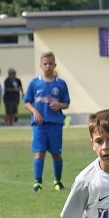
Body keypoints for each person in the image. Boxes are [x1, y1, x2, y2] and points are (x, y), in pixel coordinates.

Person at [24, 51, 70, 192]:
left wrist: (60, 105)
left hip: (55, 123)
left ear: (54, 65)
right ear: (41, 65)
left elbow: (66, 103)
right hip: (39, 125)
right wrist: (35, 111)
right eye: (45, 64)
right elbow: (27, 102)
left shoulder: (60, 84)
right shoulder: (35, 83)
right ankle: (38, 182)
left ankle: (57, 181)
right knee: (40, 152)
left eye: (50, 63)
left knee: (56, 153)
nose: (48, 66)